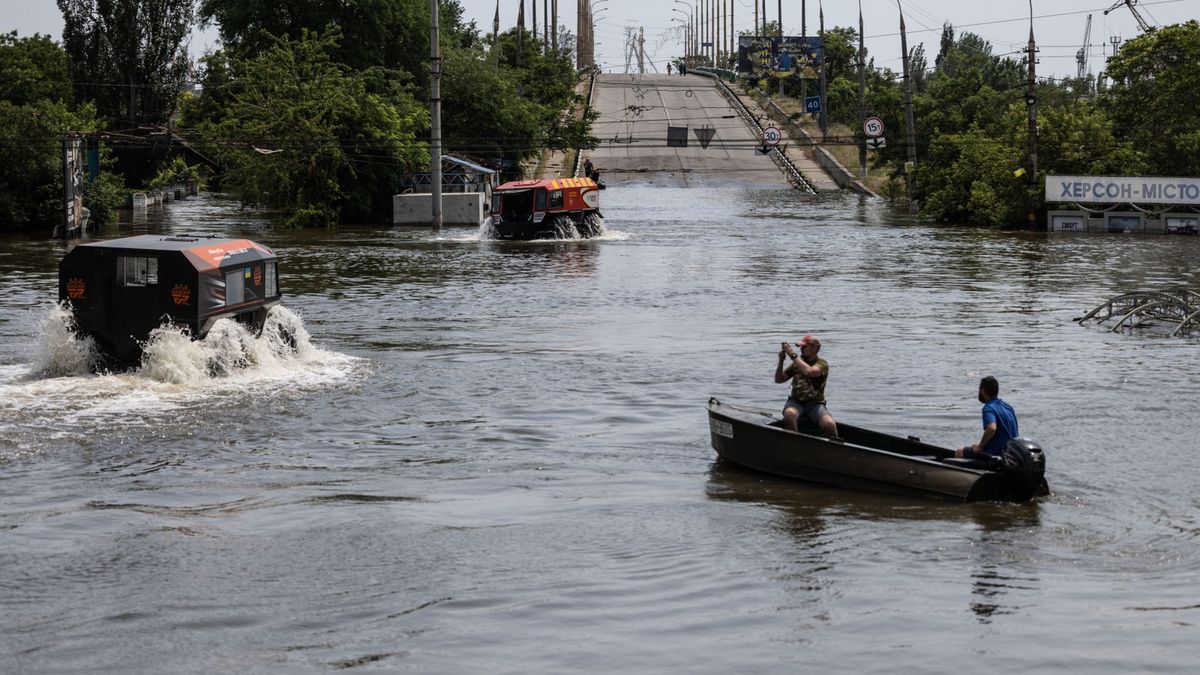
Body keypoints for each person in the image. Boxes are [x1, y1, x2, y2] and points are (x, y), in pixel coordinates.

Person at [774, 335, 839, 439]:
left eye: (804, 347)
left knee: (829, 424)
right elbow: (779, 380)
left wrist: (792, 355)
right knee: (789, 414)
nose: (801, 349)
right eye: (801, 347)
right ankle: (795, 443)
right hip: (796, 402)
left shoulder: (822, 363)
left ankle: (835, 448)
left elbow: (810, 372)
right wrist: (781, 361)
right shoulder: (797, 363)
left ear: (814, 348)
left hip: (815, 404)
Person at [956, 376, 1018, 458]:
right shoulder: (1008, 407)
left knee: (959, 452)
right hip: (1009, 453)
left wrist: (980, 447)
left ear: (983, 391)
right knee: (973, 446)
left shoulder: (989, 408)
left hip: (995, 453)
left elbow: (992, 428)